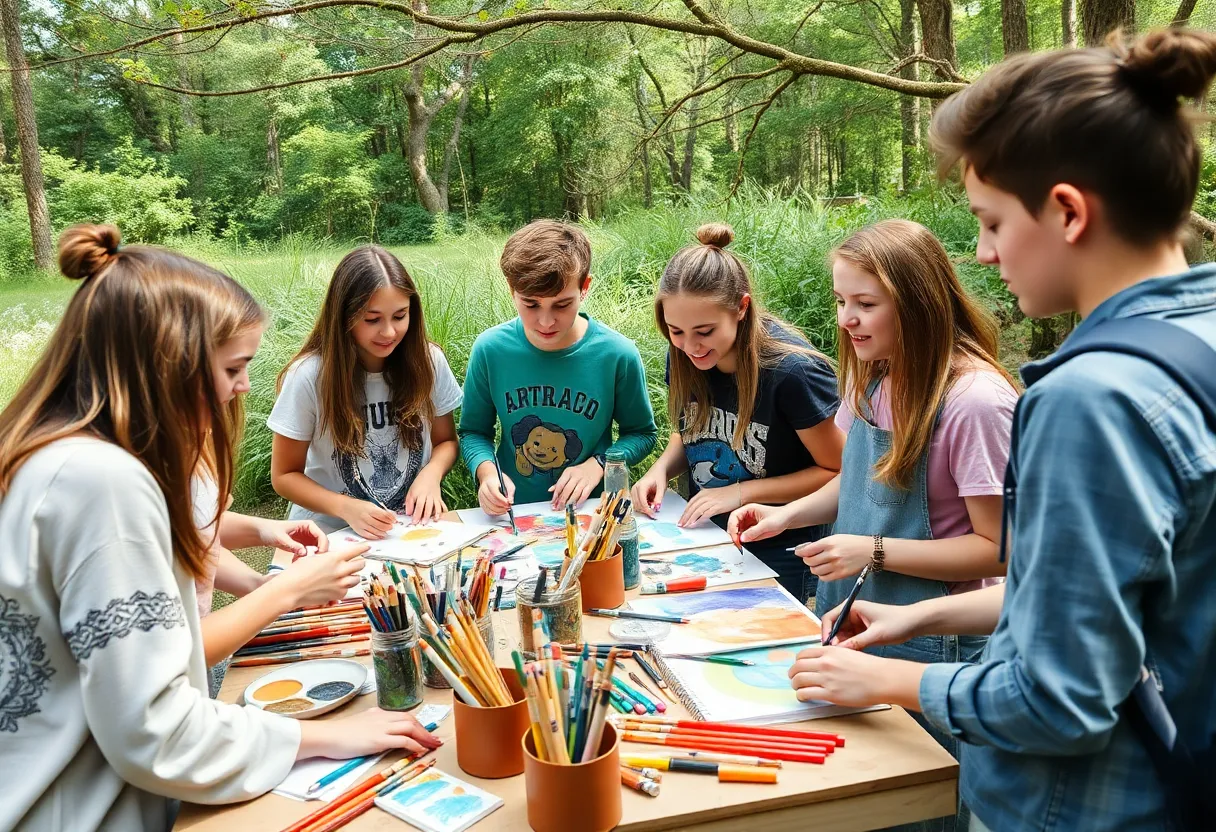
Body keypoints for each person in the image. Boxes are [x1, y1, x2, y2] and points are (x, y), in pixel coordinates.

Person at [785, 29, 1216, 832]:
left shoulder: (1092, 400)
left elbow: (1062, 700)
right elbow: (1122, 609)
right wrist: (924, 617)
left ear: (1066, 211)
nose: (981, 255)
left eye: (989, 221)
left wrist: (897, 684)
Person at [0, 226, 439, 831]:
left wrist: (264, 551)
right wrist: (320, 736)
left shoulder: (57, 459)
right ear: (166, 366)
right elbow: (154, 727)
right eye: (233, 366)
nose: (244, 386)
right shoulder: (101, 484)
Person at [728, 219, 1016, 812]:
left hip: (935, 644)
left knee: (918, 806)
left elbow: (998, 549)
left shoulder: (974, 401)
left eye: (865, 303)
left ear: (917, 302)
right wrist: (785, 515)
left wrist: (874, 549)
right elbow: (852, 481)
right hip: (854, 622)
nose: (845, 320)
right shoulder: (874, 375)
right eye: (840, 301)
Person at [631, 223, 843, 601]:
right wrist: (660, 469)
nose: (690, 346)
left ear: (741, 308)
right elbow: (693, 429)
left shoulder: (792, 372)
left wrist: (741, 493)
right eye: (675, 331)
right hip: (701, 537)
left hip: (778, 543)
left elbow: (838, 472)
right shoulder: (683, 357)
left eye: (705, 331)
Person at [193, 296, 365, 696]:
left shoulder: (184, 441)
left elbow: (193, 532)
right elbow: (172, 652)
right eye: (234, 368)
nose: (246, 385)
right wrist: (284, 591)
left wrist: (263, 534)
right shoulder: (118, 485)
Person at [459, 219, 657, 513]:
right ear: (512, 290)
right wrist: (488, 474)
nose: (546, 321)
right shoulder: (491, 349)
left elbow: (642, 434)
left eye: (562, 304)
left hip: (593, 514)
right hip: (513, 515)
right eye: (531, 304)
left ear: (584, 288)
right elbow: (473, 432)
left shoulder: (616, 354)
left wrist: (600, 464)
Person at [270, 246, 463, 536]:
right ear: (343, 316)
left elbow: (446, 441)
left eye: (400, 316)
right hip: (327, 531)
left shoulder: (429, 361)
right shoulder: (309, 375)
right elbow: (284, 475)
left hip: (408, 529)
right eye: (372, 319)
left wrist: (430, 475)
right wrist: (345, 507)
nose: (388, 332)